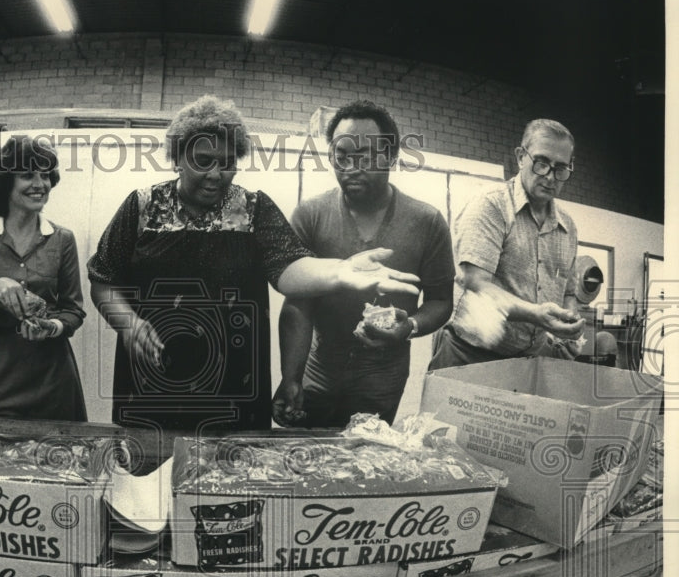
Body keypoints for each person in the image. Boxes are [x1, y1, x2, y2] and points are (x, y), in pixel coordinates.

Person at [87, 94, 421, 442]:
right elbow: (103, 279)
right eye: (203, 161)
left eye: (227, 162)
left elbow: (288, 269)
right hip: (151, 380)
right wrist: (128, 324)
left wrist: (339, 272)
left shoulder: (253, 208)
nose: (216, 174)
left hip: (233, 387)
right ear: (177, 159)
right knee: (147, 480)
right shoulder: (142, 207)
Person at [272, 100, 455, 427]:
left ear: (391, 157)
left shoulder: (427, 222)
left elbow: (441, 301)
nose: (351, 166)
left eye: (366, 155)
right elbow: (298, 303)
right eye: (341, 156)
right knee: (304, 456)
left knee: (366, 462)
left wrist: (409, 326)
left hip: (383, 376)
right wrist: (291, 378)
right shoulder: (311, 216)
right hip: (320, 368)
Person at [428, 119, 585, 370]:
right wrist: (537, 315)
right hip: (469, 355)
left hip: (526, 363)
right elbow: (477, 283)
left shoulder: (568, 227)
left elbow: (568, 292)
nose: (550, 177)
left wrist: (568, 322)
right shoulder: (491, 206)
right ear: (521, 157)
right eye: (541, 163)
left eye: (561, 169)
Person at [0, 135, 87, 421]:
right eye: (28, 175)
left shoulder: (62, 239)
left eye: (46, 176)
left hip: (54, 382)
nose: (40, 184)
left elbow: (74, 310)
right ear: (6, 183)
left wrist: (52, 326)